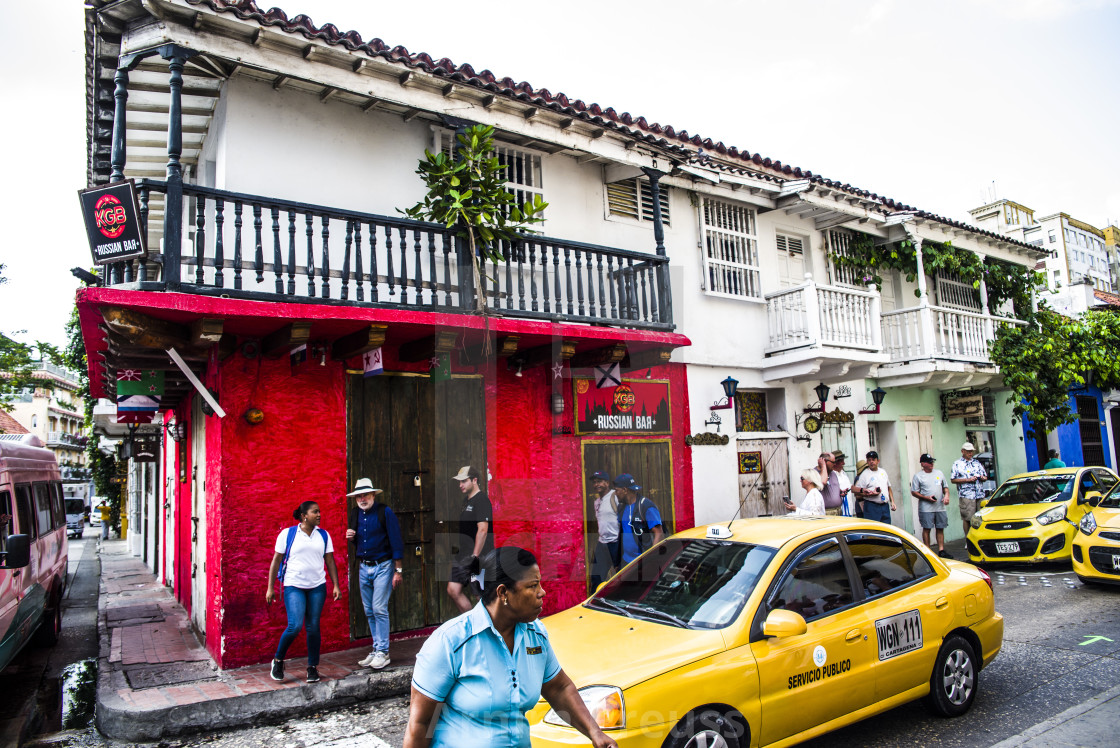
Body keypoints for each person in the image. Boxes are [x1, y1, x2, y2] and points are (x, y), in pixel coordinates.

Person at [404, 547, 617, 748]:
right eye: (533, 586)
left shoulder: (535, 635)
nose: (542, 592)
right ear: (503, 593)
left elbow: (558, 688)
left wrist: (594, 732)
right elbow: (420, 724)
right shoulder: (451, 642)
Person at [266, 501, 341, 683]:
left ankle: (312, 667)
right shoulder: (288, 534)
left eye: (319, 511)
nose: (319, 515)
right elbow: (276, 561)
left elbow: (330, 561)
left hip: (317, 587)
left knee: (313, 627)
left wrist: (335, 585)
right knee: (295, 626)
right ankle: (278, 660)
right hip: (294, 586)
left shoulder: (323, 535)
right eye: (315, 512)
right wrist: (270, 588)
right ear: (304, 515)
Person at [345, 478, 404, 671]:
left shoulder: (383, 512)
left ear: (373, 495)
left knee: (379, 608)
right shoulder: (355, 514)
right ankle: (376, 648)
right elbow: (359, 542)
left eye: (365, 495)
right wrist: (351, 538)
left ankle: (384, 652)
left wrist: (398, 570)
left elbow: (396, 539)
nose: (362, 498)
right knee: (369, 610)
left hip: (383, 566)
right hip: (364, 567)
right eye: (359, 496)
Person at [448, 466, 494, 613]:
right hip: (464, 555)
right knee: (453, 589)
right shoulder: (467, 501)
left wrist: (475, 556)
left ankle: (491, 630)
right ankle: (473, 624)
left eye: (464, 481)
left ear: (474, 480)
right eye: (459, 482)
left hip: (478, 556)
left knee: (480, 595)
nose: (460, 485)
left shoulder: (482, 500)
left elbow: (483, 530)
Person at [614, 474, 664, 565]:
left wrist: (651, 558)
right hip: (626, 562)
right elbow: (621, 534)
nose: (615, 493)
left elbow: (659, 533)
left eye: (617, 490)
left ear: (625, 490)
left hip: (643, 562)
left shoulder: (645, 506)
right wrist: (618, 561)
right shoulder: (621, 507)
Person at [910, 454, 952, 558]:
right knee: (927, 528)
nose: (931, 464)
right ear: (923, 464)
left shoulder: (939, 473)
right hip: (926, 508)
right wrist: (926, 497)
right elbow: (914, 492)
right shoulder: (918, 476)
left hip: (940, 506)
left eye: (932, 462)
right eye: (929, 462)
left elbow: (945, 488)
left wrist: (946, 496)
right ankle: (928, 551)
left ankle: (941, 550)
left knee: (940, 527)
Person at [587, 470, 619, 592]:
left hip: (616, 543)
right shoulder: (597, 502)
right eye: (594, 482)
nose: (596, 484)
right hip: (602, 544)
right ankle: (593, 603)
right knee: (596, 577)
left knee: (621, 575)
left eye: (599, 481)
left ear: (606, 483)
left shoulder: (615, 496)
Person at [951, 442, 988, 536]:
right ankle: (968, 538)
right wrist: (967, 480)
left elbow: (985, 476)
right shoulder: (957, 464)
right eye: (968, 451)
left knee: (980, 517)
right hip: (966, 495)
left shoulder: (976, 463)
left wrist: (982, 477)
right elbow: (953, 479)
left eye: (971, 451)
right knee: (967, 518)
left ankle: (980, 536)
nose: (970, 453)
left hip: (979, 494)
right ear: (962, 451)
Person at [852, 450, 897, 523]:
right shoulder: (864, 475)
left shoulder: (883, 472)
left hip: (884, 505)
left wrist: (893, 502)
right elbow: (857, 493)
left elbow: (888, 487)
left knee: (886, 529)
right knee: (873, 530)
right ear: (867, 462)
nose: (871, 462)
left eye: (873, 460)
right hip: (871, 506)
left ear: (878, 461)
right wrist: (869, 494)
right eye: (869, 460)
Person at [816, 452, 846, 516]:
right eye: (833, 462)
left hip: (838, 510)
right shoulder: (815, 473)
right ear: (824, 461)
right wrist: (823, 466)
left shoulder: (833, 473)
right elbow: (823, 482)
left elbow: (833, 486)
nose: (835, 464)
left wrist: (840, 492)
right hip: (826, 512)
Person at [832, 452, 856, 517]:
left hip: (848, 510)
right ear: (835, 463)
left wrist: (863, 490)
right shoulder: (831, 476)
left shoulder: (843, 473)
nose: (844, 463)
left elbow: (850, 487)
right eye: (841, 461)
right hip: (839, 512)